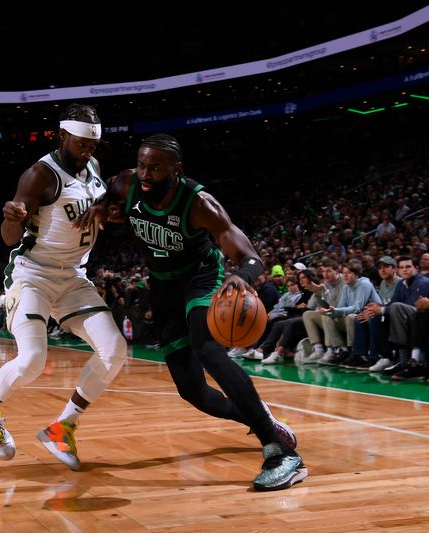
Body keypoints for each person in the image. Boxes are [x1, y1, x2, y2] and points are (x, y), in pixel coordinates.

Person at [77, 133, 306, 491]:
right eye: (142, 164)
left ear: (176, 169)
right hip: (162, 285)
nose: (146, 173)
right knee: (192, 392)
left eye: (155, 167)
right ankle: (263, 420)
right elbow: (112, 190)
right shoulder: (127, 181)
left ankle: (281, 454)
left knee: (207, 349)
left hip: (202, 277)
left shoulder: (200, 204)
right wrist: (100, 205)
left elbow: (250, 256)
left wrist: (241, 276)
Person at [0, 104, 127, 471]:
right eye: (80, 144)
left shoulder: (93, 167)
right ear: (62, 137)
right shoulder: (40, 175)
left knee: (115, 349)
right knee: (32, 360)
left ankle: (63, 427)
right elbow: (10, 237)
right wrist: (12, 218)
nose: (87, 150)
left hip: (74, 275)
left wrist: (106, 211)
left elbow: (99, 203)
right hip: (33, 274)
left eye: (93, 144)